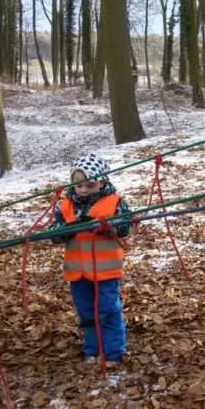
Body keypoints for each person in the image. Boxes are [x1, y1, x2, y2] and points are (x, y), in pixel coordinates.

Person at [51, 153, 132, 363]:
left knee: (107, 310)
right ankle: (92, 349)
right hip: (77, 272)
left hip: (105, 271)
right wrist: (67, 230)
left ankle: (114, 352)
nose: (84, 190)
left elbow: (125, 227)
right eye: (79, 185)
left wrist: (109, 225)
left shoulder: (115, 202)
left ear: (103, 181)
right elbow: (54, 234)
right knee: (86, 312)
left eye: (90, 185)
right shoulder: (65, 205)